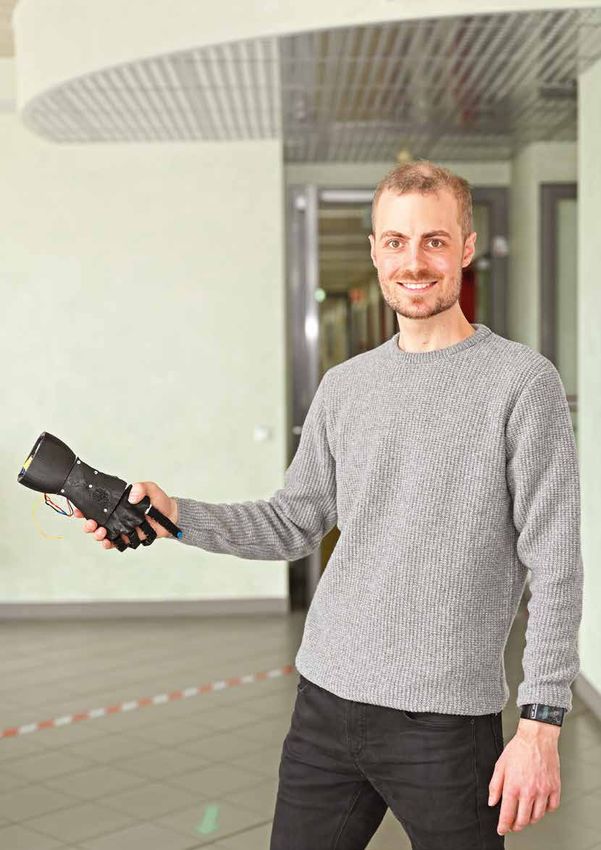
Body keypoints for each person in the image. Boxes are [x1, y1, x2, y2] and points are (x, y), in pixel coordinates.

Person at [76, 160, 583, 850]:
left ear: (465, 248)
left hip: (442, 721)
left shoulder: (521, 384)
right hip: (326, 703)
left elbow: (555, 563)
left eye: (434, 241)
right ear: (375, 251)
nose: (414, 262)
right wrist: (176, 514)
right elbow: (292, 523)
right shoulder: (345, 387)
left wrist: (540, 723)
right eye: (396, 241)